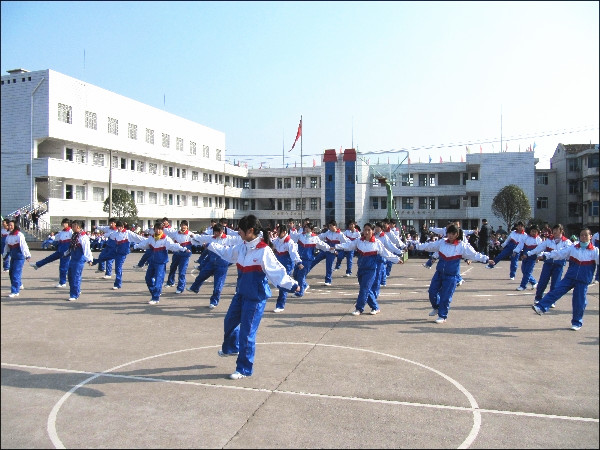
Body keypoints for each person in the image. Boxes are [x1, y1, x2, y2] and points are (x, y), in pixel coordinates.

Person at [206, 215, 299, 379]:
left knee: (247, 334)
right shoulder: (242, 246)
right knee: (229, 321)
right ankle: (231, 348)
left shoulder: (264, 251)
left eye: (241, 230)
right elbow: (228, 253)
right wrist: (212, 245)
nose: (238, 233)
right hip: (241, 294)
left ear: (250, 230)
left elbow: (277, 272)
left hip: (256, 298)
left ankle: (243, 369)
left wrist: (293, 285)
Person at [410, 224, 492, 323]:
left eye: (453, 233)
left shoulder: (462, 246)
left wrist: (486, 259)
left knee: (446, 296)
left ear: (457, 234)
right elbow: (429, 246)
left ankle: (442, 316)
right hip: (439, 273)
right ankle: (436, 307)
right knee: (432, 292)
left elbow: (474, 255)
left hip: (451, 276)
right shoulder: (442, 242)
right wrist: (415, 246)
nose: (450, 235)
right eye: (449, 233)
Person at [532, 228, 599, 330]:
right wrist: (545, 256)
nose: (583, 237)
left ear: (590, 237)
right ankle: (541, 307)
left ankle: (577, 322)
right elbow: (559, 253)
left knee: (579, 301)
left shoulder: (595, 251)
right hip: (570, 277)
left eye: (586, 235)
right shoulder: (573, 248)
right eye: (581, 235)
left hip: (583, 280)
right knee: (556, 291)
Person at [335, 222, 403, 316]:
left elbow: (386, 253)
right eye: (365, 230)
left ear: (373, 231)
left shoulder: (376, 243)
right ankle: (375, 307)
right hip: (361, 269)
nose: (366, 232)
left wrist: (397, 259)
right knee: (367, 289)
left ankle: (359, 308)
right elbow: (348, 245)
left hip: (371, 270)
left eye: (369, 230)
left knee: (364, 289)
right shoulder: (359, 241)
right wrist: (335, 246)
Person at [134, 222, 191, 305]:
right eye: (156, 229)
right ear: (154, 230)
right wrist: (135, 246)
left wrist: (183, 249)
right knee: (148, 278)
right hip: (152, 262)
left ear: (162, 230)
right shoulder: (151, 238)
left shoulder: (166, 239)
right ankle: (155, 291)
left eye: (160, 229)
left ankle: (155, 298)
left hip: (161, 263)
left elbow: (173, 245)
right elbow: (144, 244)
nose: (158, 230)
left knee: (158, 280)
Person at [187, 224, 241, 308]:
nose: (215, 234)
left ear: (222, 231)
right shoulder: (211, 238)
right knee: (201, 276)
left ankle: (214, 302)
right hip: (211, 263)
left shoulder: (229, 239)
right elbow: (201, 238)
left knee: (218, 285)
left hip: (222, 265)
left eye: (217, 232)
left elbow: (240, 239)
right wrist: (193, 235)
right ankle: (195, 288)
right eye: (214, 232)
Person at [526, 224, 572, 306]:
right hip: (548, 264)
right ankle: (538, 298)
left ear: (561, 231)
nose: (554, 232)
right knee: (543, 281)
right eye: (553, 230)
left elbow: (564, 253)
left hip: (559, 265)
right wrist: (529, 253)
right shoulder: (548, 240)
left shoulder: (567, 242)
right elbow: (539, 248)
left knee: (555, 284)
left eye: (557, 230)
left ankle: (551, 300)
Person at [91, 220, 143, 290]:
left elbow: (138, 238)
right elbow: (107, 234)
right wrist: (105, 234)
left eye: (120, 227)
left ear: (123, 227)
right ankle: (93, 262)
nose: (119, 228)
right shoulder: (115, 233)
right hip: (115, 251)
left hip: (122, 253)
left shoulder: (128, 233)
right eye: (118, 227)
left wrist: (148, 240)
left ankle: (117, 284)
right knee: (103, 257)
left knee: (118, 268)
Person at [29, 218, 73, 288]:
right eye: (63, 223)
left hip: (66, 252)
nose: (64, 225)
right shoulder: (62, 232)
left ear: (68, 224)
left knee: (63, 267)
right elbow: (55, 238)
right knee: (49, 258)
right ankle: (37, 265)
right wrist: (50, 239)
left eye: (65, 223)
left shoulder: (71, 232)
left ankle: (62, 282)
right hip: (60, 250)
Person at [293, 223, 332, 296]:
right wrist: (292, 229)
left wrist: (330, 248)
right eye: (305, 227)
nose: (306, 229)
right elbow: (293, 236)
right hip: (299, 259)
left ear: (312, 229)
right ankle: (305, 285)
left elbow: (322, 244)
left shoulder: (314, 238)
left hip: (308, 259)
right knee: (295, 275)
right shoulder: (301, 235)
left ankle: (300, 292)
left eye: (308, 228)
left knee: (301, 275)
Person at [272, 224, 303, 312]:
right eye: (277, 231)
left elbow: (294, 253)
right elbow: (271, 243)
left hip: (287, 264)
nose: (277, 233)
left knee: (283, 283)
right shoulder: (277, 240)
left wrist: (299, 262)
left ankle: (280, 305)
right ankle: (296, 284)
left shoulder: (289, 242)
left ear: (284, 232)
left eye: (279, 231)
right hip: (278, 263)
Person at [310, 219, 348, 286]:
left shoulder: (340, 235)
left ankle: (328, 280)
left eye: (331, 226)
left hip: (332, 252)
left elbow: (346, 243)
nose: (329, 227)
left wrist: (337, 249)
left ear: (335, 226)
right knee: (315, 260)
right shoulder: (328, 232)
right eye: (329, 226)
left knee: (329, 266)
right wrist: (313, 237)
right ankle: (304, 272)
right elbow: (321, 236)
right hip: (325, 250)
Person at [64, 220, 93, 301]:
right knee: (70, 276)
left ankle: (74, 294)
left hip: (79, 259)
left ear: (78, 227)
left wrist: (89, 259)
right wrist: (66, 253)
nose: (72, 228)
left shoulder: (83, 237)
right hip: (73, 258)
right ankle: (77, 290)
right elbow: (71, 247)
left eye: (73, 226)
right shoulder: (74, 235)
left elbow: (87, 249)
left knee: (75, 277)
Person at [164, 220, 195, 293]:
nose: (183, 226)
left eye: (185, 225)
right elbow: (167, 232)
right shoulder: (176, 233)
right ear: (180, 225)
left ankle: (180, 287)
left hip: (185, 255)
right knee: (172, 268)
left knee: (182, 271)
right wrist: (163, 226)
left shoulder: (190, 234)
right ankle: (170, 282)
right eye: (182, 225)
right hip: (176, 253)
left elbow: (197, 239)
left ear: (187, 226)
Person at [2, 220, 31, 297]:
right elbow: (6, 247)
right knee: (11, 273)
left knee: (15, 274)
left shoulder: (19, 235)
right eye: (9, 225)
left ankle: (15, 291)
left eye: (11, 225)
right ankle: (19, 284)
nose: (10, 227)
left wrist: (27, 255)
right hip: (13, 257)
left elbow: (23, 246)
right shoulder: (9, 235)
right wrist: (4, 256)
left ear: (15, 226)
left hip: (19, 257)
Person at [513, 225, 542, 291]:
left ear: (538, 232)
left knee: (527, 272)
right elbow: (520, 245)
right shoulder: (526, 237)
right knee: (524, 270)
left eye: (535, 231)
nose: (533, 233)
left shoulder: (539, 240)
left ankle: (523, 286)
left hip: (532, 258)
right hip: (525, 257)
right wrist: (515, 251)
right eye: (532, 231)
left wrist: (538, 257)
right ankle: (534, 282)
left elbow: (540, 249)